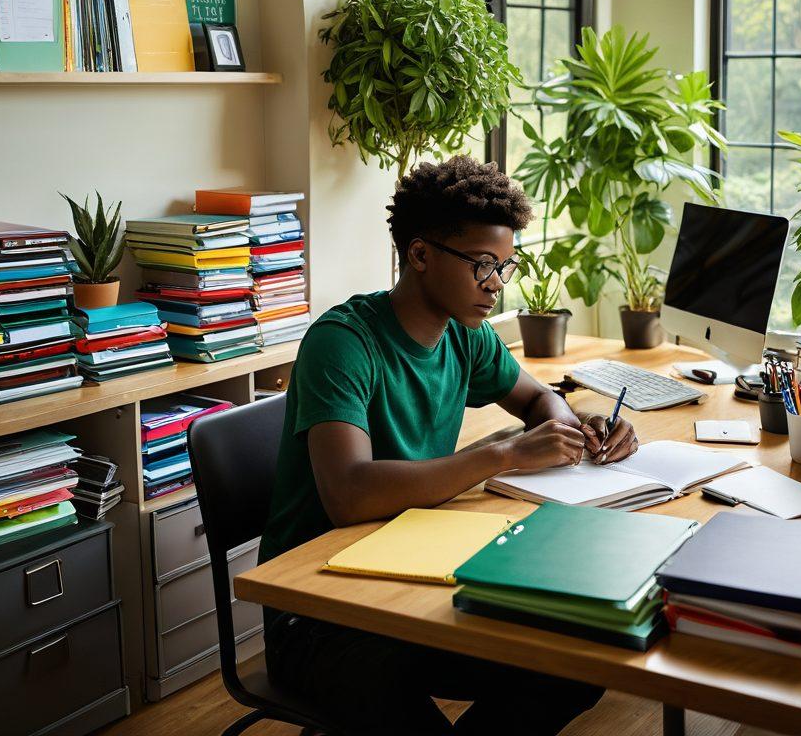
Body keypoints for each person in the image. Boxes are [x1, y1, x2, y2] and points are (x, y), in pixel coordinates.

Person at [260, 155, 639, 736]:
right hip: (320, 615)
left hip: (416, 576)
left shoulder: (466, 336)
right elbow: (349, 495)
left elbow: (540, 400)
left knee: (577, 663)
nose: (495, 285)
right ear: (419, 254)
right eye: (483, 265)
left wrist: (570, 427)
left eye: (505, 268)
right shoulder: (343, 344)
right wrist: (505, 454)